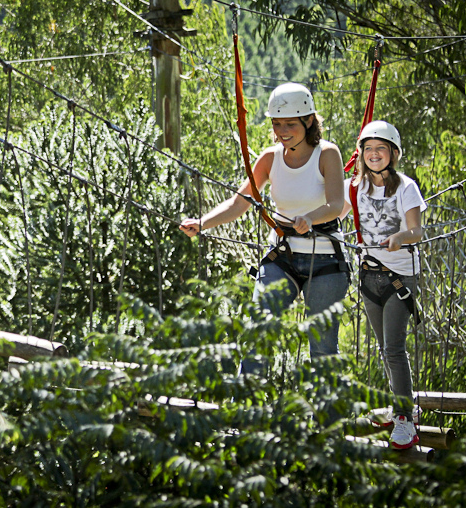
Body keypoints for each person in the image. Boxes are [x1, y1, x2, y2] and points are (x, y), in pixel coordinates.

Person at [180, 82, 349, 373]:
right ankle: (245, 400)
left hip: (325, 259)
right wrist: (202, 223)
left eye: (290, 124)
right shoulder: (270, 159)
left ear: (309, 121)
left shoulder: (327, 154)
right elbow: (239, 203)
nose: (282, 131)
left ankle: (327, 404)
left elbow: (335, 204)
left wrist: (309, 218)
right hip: (282, 257)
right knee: (257, 334)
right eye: (277, 124)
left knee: (323, 348)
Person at [340, 120, 426, 450]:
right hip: (368, 276)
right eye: (369, 149)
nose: (374, 154)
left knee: (394, 348)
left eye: (381, 149)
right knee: (384, 347)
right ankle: (403, 405)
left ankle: (404, 419)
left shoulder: (406, 187)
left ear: (393, 153)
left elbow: (416, 231)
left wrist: (400, 237)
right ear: (361, 153)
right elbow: (334, 213)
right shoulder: (354, 187)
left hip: (399, 277)